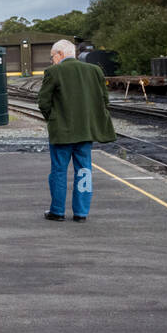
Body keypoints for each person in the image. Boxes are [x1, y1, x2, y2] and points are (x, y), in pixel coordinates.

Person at [37, 38, 116, 222]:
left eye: (52, 57)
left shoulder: (54, 72)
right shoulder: (94, 70)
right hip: (86, 132)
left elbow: (43, 102)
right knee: (84, 170)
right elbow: (104, 100)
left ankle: (57, 211)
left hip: (62, 133)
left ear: (60, 54)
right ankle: (81, 213)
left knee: (59, 171)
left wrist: (53, 119)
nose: (51, 60)